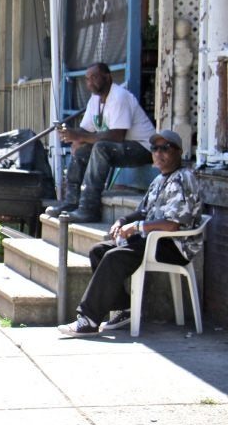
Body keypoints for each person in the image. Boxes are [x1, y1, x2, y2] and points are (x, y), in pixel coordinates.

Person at [58, 130, 202, 337]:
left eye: (165, 148)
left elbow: (172, 225)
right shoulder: (159, 180)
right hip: (153, 240)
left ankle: (88, 319)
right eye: (155, 148)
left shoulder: (183, 178)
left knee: (114, 257)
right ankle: (125, 309)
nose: (159, 153)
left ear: (179, 151)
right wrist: (122, 221)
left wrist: (136, 228)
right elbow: (143, 211)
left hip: (176, 245)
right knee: (98, 250)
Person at [45, 62, 156, 223]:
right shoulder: (94, 100)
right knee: (83, 151)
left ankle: (88, 208)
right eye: (87, 79)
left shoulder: (119, 97)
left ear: (107, 77)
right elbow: (86, 130)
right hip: (120, 147)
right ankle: (71, 202)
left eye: (94, 77)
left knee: (101, 147)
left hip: (143, 148)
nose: (90, 82)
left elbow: (117, 135)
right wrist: (74, 136)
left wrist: (80, 137)